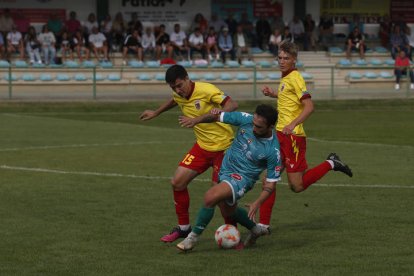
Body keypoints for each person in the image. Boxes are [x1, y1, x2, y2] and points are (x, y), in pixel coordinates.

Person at [139, 64, 238, 243]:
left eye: (179, 85)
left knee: (220, 195)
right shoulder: (179, 93)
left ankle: (233, 232)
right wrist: (156, 112)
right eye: (173, 88)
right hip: (202, 147)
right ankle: (184, 228)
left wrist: (221, 111)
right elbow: (175, 100)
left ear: (187, 78)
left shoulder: (206, 90)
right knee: (177, 182)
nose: (178, 90)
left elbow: (232, 104)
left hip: (224, 148)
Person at [259, 41, 353, 229]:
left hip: (293, 137)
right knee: (269, 179)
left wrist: (292, 124)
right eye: (280, 57)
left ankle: (331, 163)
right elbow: (289, 96)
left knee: (297, 186)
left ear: (294, 60)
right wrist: (274, 94)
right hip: (279, 136)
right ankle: (263, 225)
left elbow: (309, 106)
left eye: (286, 58)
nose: (282, 61)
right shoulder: (285, 77)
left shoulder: (295, 77)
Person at [176, 104, 282, 251]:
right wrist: (196, 120)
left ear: (270, 126)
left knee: (210, 196)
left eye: (259, 127)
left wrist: (257, 203)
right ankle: (256, 230)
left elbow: (270, 185)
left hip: (242, 178)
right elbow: (216, 116)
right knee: (227, 211)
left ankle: (192, 238)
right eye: (254, 124)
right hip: (225, 168)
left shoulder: (273, 150)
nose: (254, 128)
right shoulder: (247, 119)